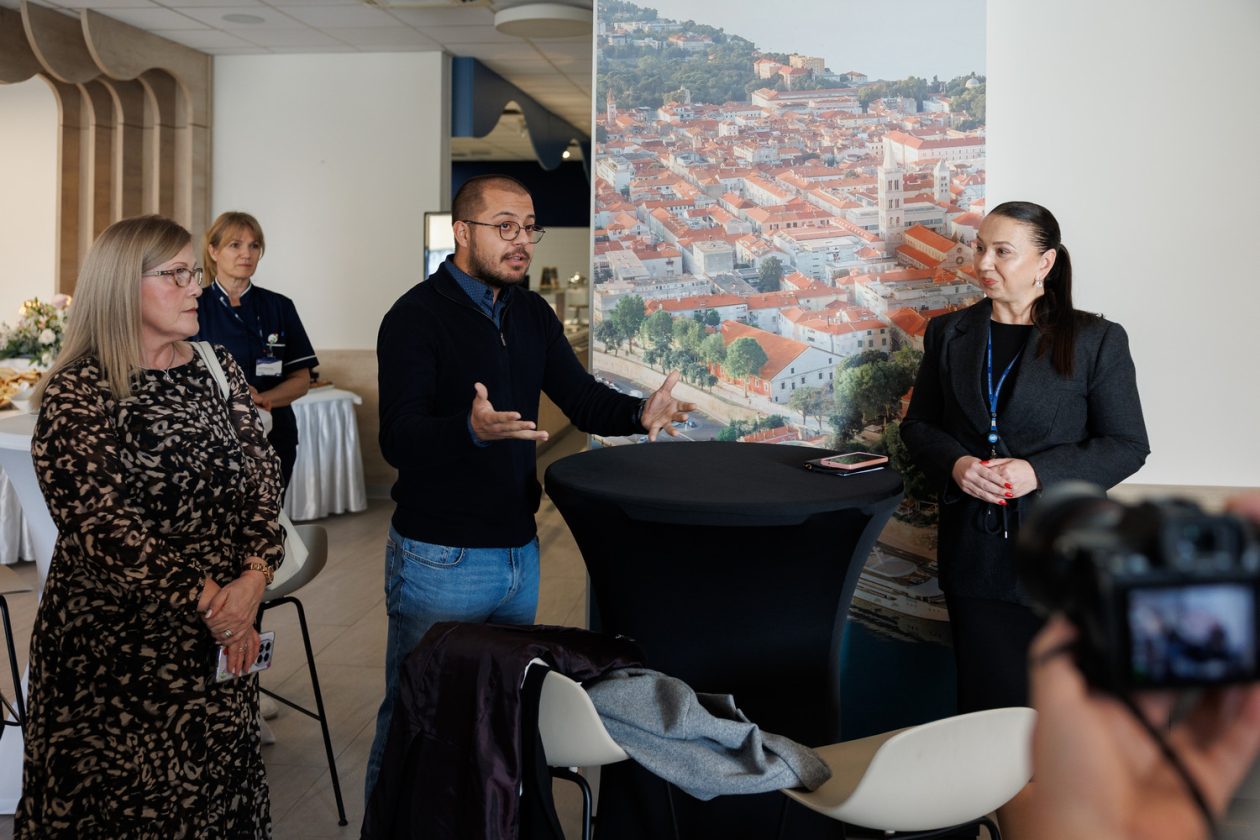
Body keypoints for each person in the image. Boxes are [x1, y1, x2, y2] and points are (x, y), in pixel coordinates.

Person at [364, 174, 695, 800]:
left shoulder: (532, 312)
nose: (523, 242)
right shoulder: (414, 317)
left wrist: (637, 414)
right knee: (418, 716)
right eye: (505, 227)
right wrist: (468, 429)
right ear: (463, 233)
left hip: (518, 553)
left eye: (530, 228)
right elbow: (399, 439)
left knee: (495, 717)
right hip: (441, 557)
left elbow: (581, 398)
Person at [17, 215, 284, 837]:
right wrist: (213, 601)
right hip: (117, 661)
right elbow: (101, 526)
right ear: (121, 287)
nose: (196, 286)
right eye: (178, 274)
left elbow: (263, 482)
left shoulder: (217, 368)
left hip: (222, 641)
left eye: (194, 271)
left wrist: (252, 579)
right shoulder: (79, 390)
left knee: (215, 796)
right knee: (126, 810)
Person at [901, 200, 1150, 715]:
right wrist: (958, 464)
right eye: (979, 248)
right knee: (987, 713)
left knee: (1061, 721)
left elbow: (1126, 445)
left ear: (1045, 263)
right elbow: (918, 427)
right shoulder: (948, 333)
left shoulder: (1097, 340)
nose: (983, 263)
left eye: (1002, 252)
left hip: (1061, 560)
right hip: (974, 557)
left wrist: (1037, 471)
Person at [197, 211, 318, 490]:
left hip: (275, 432)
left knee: (273, 516)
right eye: (235, 245)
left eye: (254, 245)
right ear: (213, 251)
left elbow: (301, 380)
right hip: (215, 434)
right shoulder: (194, 306)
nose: (246, 254)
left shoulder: (279, 306)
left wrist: (262, 398)